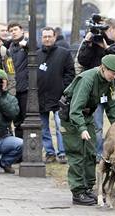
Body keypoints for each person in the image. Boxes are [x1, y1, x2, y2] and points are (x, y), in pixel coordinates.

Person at [61, 54, 115, 205]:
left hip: (87, 116)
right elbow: (75, 109)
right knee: (77, 154)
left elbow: (113, 106)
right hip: (72, 119)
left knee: (90, 153)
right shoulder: (87, 80)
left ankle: (87, 189)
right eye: (113, 73)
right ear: (104, 68)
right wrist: (82, 129)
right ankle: (78, 192)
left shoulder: (108, 81)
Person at [77, 17, 115, 162]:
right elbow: (82, 60)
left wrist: (107, 47)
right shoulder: (91, 43)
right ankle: (99, 155)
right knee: (97, 126)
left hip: (112, 91)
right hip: (95, 92)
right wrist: (87, 43)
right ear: (110, 29)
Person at [37, 27, 75, 163]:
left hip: (60, 97)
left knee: (60, 126)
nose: (47, 39)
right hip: (41, 97)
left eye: (49, 36)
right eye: (44, 36)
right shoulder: (36, 55)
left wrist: (64, 90)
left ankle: (62, 152)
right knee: (43, 127)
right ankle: (49, 152)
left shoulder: (64, 54)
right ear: (41, 38)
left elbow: (70, 73)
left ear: (55, 37)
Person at [7, 21, 28, 138]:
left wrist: (27, 46)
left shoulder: (28, 44)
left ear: (21, 30)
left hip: (26, 89)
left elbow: (36, 52)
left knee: (27, 121)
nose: (13, 32)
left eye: (15, 29)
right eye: (11, 31)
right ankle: (20, 151)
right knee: (17, 122)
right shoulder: (10, 48)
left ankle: (29, 149)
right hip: (13, 90)